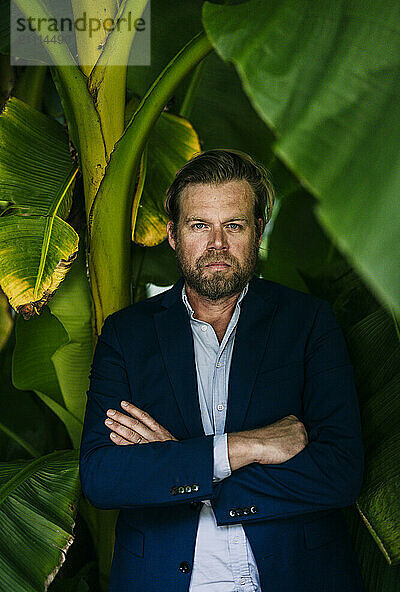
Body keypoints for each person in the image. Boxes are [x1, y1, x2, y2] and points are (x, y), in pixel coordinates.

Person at [79, 149, 366, 592]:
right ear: (173, 235)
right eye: (199, 226)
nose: (217, 244)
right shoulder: (126, 336)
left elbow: (339, 473)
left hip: (295, 575)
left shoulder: (309, 322)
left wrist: (183, 464)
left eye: (233, 226)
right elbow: (103, 478)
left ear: (257, 233)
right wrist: (241, 447)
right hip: (161, 579)